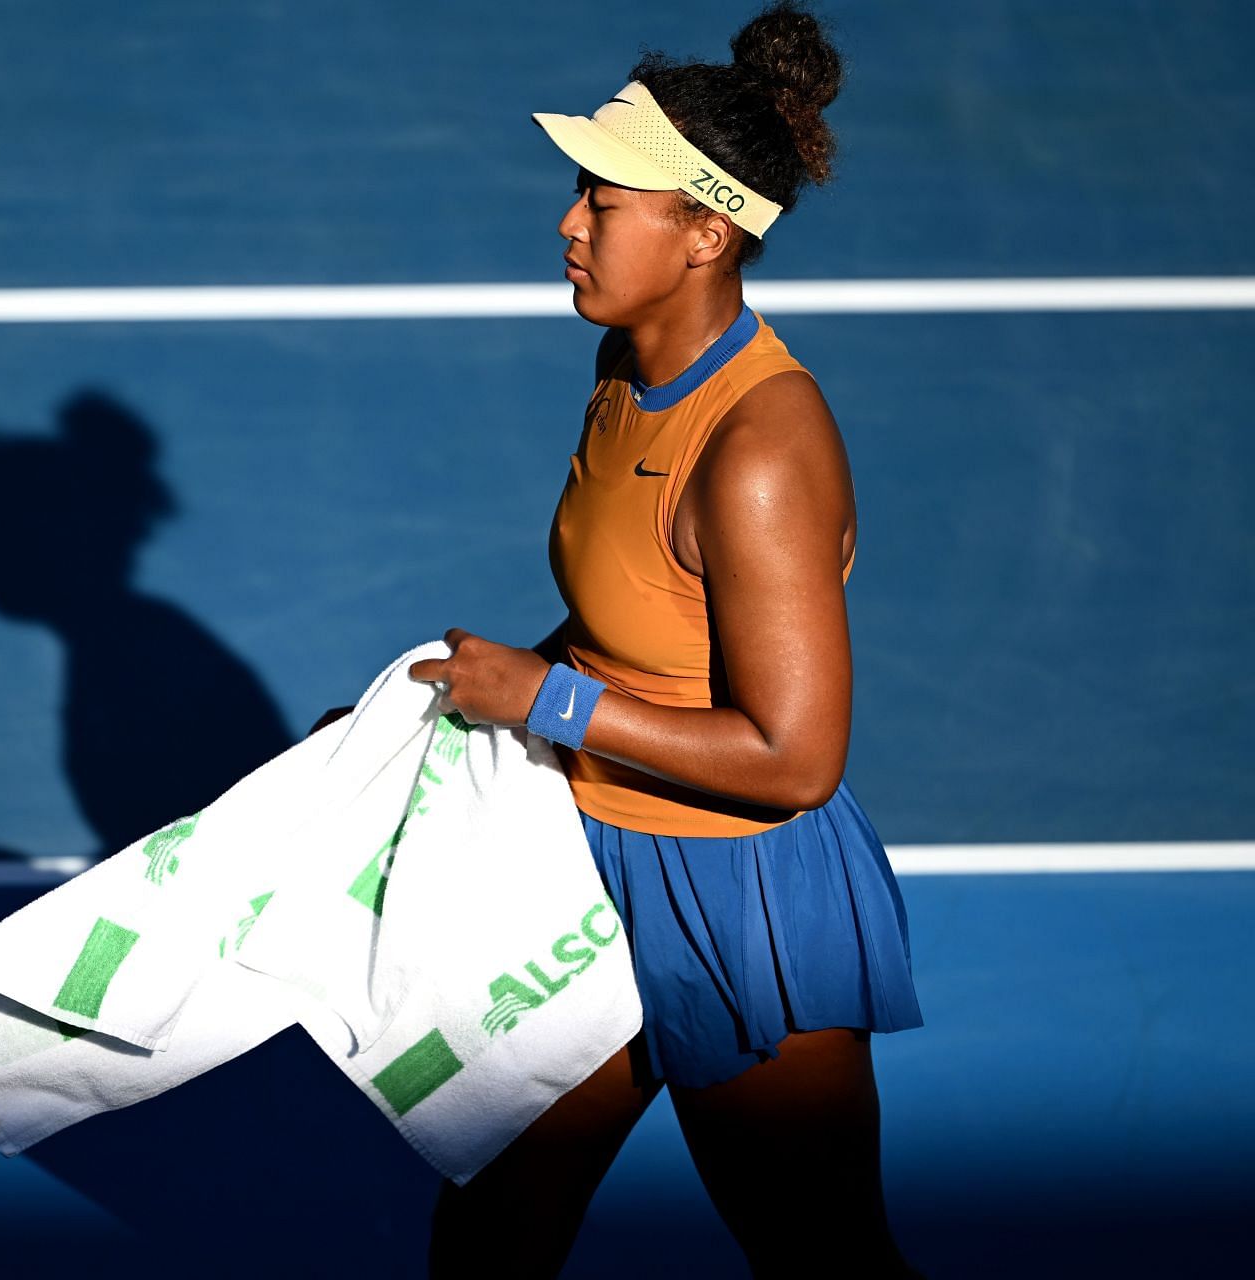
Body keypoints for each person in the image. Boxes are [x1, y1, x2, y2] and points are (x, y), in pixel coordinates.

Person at [386, 4, 924, 1276]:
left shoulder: (758, 451)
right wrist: (449, 708)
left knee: (824, 1257)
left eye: (605, 202)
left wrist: (547, 703)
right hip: (582, 873)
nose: (569, 224)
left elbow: (797, 758)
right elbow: (635, 616)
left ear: (705, 231)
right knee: (489, 1235)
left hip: (737, 900)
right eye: (578, 191)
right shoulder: (624, 369)